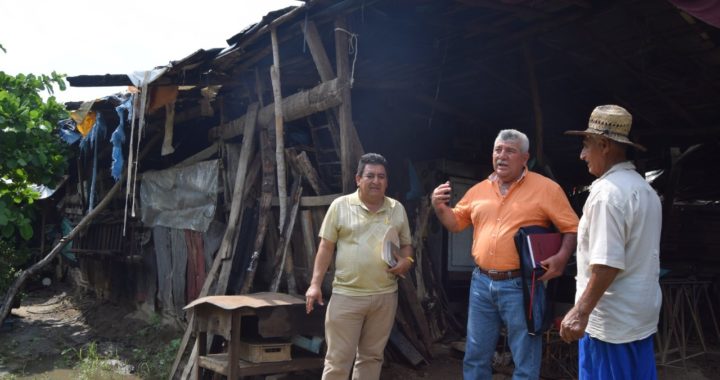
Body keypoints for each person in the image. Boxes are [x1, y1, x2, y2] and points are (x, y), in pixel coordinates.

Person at [431, 129, 579, 379]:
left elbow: (572, 227)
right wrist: (438, 206)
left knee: (525, 355)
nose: (502, 155)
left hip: (522, 285)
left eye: (510, 151)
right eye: (498, 150)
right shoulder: (478, 190)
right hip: (481, 283)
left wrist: (562, 258)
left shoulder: (546, 189)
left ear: (525, 158)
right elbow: (455, 223)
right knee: (476, 355)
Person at [560, 105, 662, 379]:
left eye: (586, 145)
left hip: (610, 325)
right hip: (637, 317)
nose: (582, 155)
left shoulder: (607, 194)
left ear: (603, 145)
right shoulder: (645, 191)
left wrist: (580, 313)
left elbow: (607, 263)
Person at [305, 152, 414, 380]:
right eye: (370, 176)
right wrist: (314, 285)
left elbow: (406, 246)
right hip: (347, 296)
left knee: (372, 358)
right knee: (337, 360)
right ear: (358, 179)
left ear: (387, 180)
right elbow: (325, 247)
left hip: (384, 297)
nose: (376, 181)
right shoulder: (340, 206)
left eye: (381, 176)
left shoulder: (397, 209)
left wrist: (407, 262)